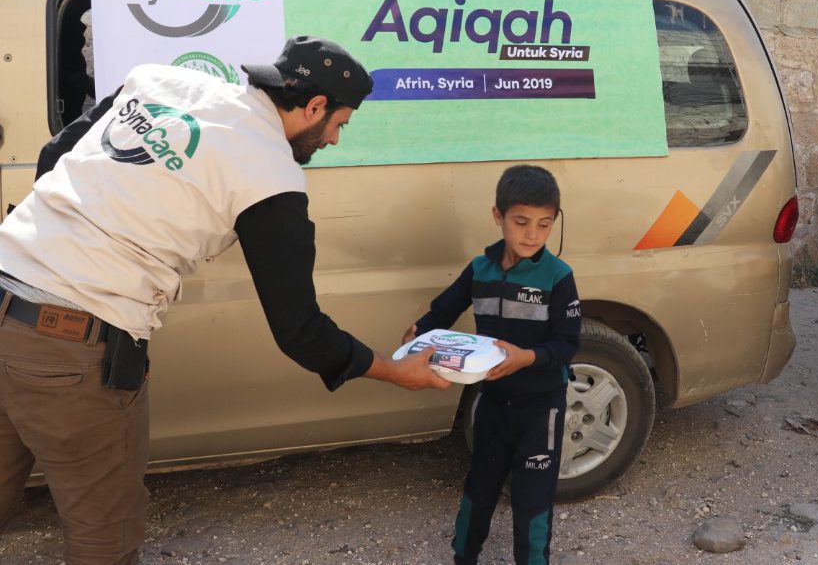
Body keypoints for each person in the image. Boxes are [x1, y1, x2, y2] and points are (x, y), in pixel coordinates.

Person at [0, 36, 451, 564]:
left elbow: (55, 155)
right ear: (314, 106)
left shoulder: (161, 79)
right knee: (105, 541)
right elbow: (300, 329)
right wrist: (397, 373)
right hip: (72, 348)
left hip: (6, 285)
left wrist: (57, 244)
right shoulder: (270, 175)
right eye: (340, 124)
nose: (333, 139)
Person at [403, 165, 581, 565]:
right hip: (492, 401)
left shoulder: (558, 277)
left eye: (544, 224)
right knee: (479, 489)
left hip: (542, 407)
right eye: (521, 222)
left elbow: (568, 344)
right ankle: (463, 557)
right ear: (498, 216)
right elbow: (442, 312)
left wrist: (526, 358)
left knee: (532, 500)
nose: (532, 234)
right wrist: (418, 334)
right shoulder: (479, 269)